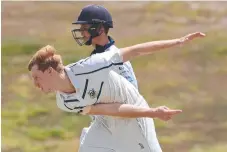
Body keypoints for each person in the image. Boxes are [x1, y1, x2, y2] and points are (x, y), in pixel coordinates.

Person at [28, 30, 205, 152]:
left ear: (50, 71)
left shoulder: (91, 66)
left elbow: (135, 51)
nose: (36, 84)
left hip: (134, 116)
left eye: (37, 77)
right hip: (105, 122)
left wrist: (178, 41)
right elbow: (106, 110)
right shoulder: (64, 102)